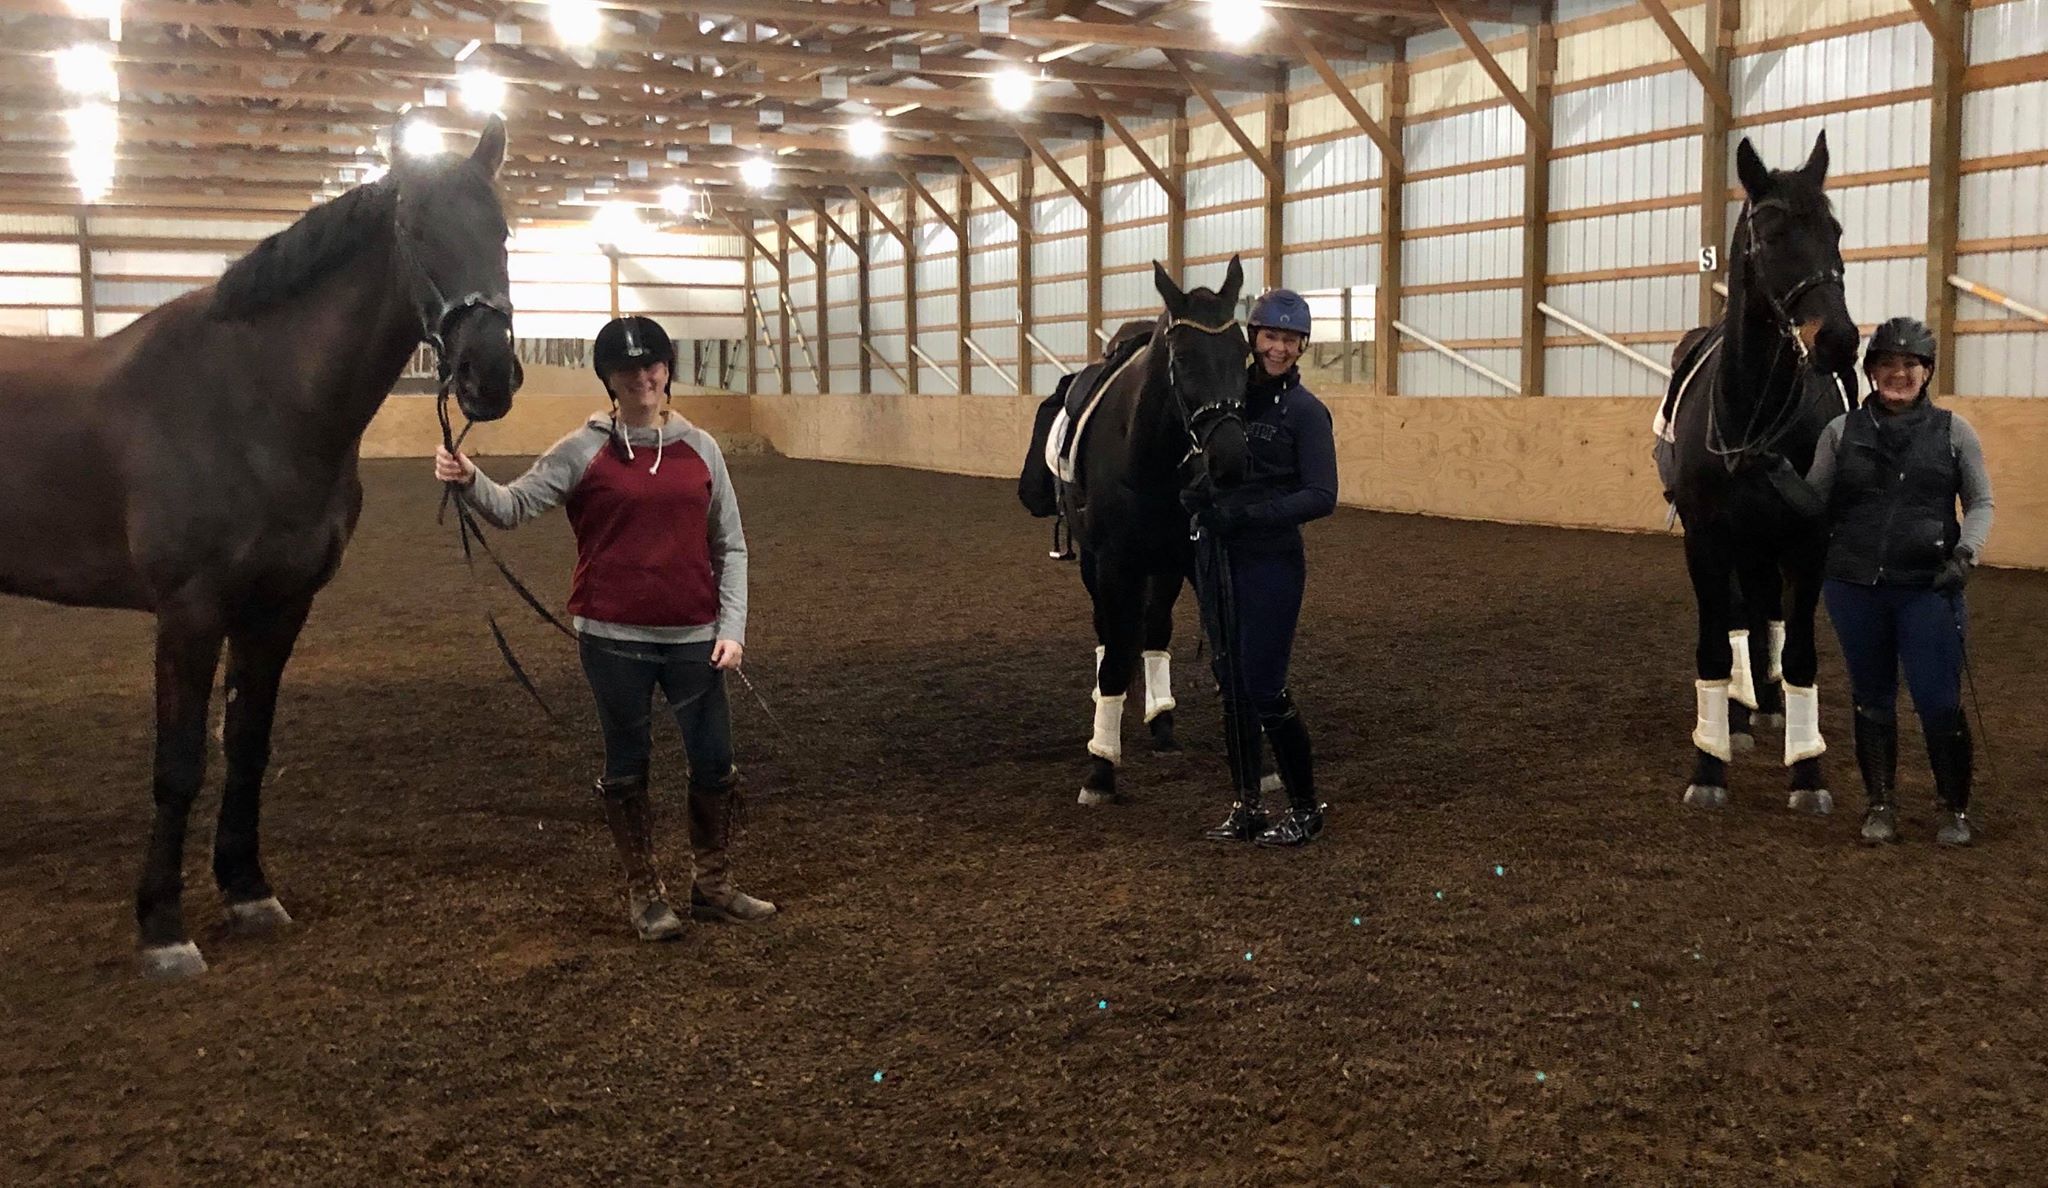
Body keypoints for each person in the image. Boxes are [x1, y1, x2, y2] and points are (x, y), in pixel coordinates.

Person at [434, 315, 774, 936]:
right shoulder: (581, 450)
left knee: (715, 762)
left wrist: (733, 626)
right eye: (627, 370)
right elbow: (513, 507)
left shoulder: (703, 450)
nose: (642, 378)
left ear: (667, 371)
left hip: (695, 636)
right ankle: (645, 894)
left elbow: (731, 545)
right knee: (628, 764)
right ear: (609, 380)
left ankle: (713, 883)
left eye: (652, 366)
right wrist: (470, 479)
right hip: (614, 638)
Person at [1805, 317, 1994, 846]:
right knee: (1872, 697)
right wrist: (1772, 481)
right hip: (1853, 586)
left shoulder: (1955, 432)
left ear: (1927, 371)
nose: (1899, 374)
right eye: (1887, 364)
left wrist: (1966, 553)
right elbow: (1813, 503)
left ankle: (1954, 806)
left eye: (1910, 364)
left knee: (1937, 700)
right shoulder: (1840, 433)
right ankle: (1880, 803)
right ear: (1870, 372)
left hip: (1928, 587)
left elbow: (1980, 502)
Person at [1188, 289, 1339, 847]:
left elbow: (1322, 495)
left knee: (1265, 687)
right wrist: (1197, 497)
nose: (1278, 348)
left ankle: (1304, 808)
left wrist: (1251, 517)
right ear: (1253, 339)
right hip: (1217, 557)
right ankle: (1247, 804)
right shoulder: (1227, 402)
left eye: (1289, 339)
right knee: (1230, 686)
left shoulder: (1305, 413)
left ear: (1302, 346)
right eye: (1270, 336)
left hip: (1270, 560)